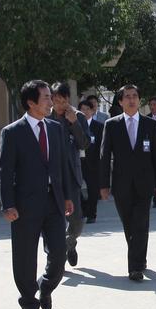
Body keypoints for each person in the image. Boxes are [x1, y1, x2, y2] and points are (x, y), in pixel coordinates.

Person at [0, 81, 75, 309]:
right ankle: (29, 303)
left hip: (54, 202)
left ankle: (46, 286)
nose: (51, 102)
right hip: (24, 206)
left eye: (50, 97)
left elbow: (61, 164)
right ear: (31, 102)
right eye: (45, 98)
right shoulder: (12, 132)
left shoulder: (55, 128)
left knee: (59, 253)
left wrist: (67, 196)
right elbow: (5, 171)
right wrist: (7, 204)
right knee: (24, 257)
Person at [99, 84, 156, 280]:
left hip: (145, 183)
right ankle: (139, 257)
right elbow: (104, 156)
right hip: (121, 184)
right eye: (127, 96)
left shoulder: (150, 125)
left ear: (139, 100)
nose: (131, 99)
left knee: (141, 223)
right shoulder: (111, 125)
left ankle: (134, 268)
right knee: (129, 224)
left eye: (135, 96)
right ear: (120, 101)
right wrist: (103, 185)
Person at [50, 81, 89, 266]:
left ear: (68, 99)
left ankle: (70, 243)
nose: (59, 104)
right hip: (50, 175)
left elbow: (84, 144)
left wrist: (74, 124)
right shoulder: (46, 117)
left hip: (72, 174)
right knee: (51, 219)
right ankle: (55, 258)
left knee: (76, 219)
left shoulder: (78, 116)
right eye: (55, 100)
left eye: (62, 100)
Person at [78, 100, 104, 223]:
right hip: (77, 162)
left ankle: (91, 214)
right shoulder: (74, 125)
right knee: (75, 188)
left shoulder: (98, 126)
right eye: (82, 109)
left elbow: (101, 146)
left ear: (92, 111)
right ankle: (84, 208)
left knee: (93, 190)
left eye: (87, 109)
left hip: (93, 163)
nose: (85, 112)